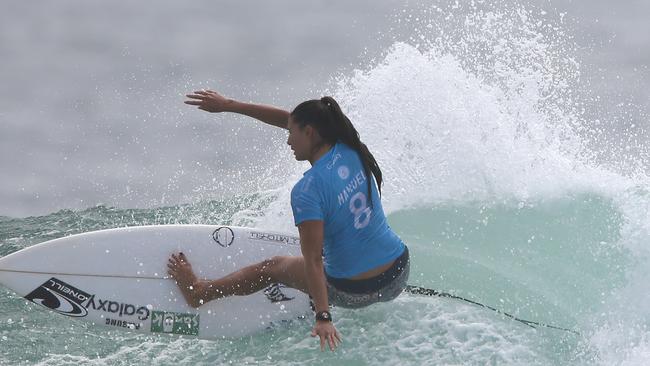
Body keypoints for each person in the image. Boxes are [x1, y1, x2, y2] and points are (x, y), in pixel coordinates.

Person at [167, 90, 410, 352]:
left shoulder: (308, 189)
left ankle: (200, 293)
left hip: (352, 292)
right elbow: (289, 119)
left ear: (310, 132)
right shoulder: (349, 145)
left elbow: (314, 261)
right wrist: (229, 105)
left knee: (273, 266)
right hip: (398, 272)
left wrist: (323, 316)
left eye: (291, 133)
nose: (288, 141)